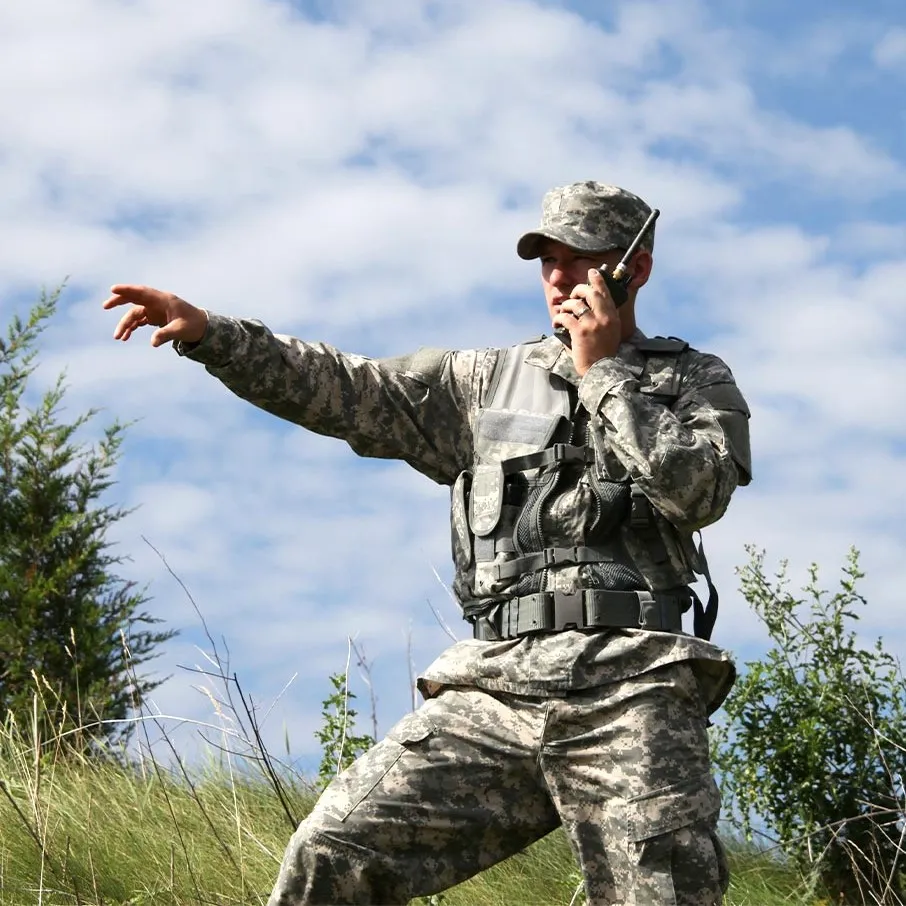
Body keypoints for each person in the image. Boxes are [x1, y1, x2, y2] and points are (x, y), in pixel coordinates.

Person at [104, 181, 752, 905]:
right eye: (548, 260)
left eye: (581, 258)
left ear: (633, 267)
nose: (562, 278)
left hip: (632, 687)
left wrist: (604, 374)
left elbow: (700, 492)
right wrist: (212, 336)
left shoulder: (692, 379)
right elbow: (345, 387)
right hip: (495, 686)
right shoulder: (479, 384)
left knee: (658, 893)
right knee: (333, 851)